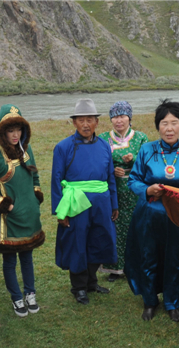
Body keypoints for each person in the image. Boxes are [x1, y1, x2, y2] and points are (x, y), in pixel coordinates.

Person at [125, 99, 179, 322]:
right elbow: (134, 180)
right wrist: (148, 189)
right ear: (158, 126)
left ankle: (172, 302)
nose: (169, 128)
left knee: (176, 258)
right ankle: (150, 301)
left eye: (174, 123)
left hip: (178, 217)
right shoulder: (147, 150)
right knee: (149, 256)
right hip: (148, 215)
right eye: (164, 123)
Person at [51, 99, 118, 305]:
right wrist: (60, 212)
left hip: (101, 202)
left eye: (90, 119)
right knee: (78, 242)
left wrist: (114, 203)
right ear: (74, 123)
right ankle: (78, 287)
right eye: (81, 120)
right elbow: (56, 179)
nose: (86, 124)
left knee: (98, 239)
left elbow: (110, 177)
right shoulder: (63, 147)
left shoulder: (104, 146)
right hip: (76, 202)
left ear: (97, 122)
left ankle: (91, 281)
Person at [0, 104, 45, 317]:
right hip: (8, 218)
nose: (15, 134)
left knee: (27, 257)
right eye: (10, 130)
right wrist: (4, 203)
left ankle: (30, 293)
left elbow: (34, 177)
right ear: (2, 131)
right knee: (10, 260)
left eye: (18, 129)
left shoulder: (27, 150)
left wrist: (35, 197)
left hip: (29, 215)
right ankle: (16, 297)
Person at [97, 101, 150, 282]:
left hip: (135, 188)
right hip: (113, 188)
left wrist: (133, 159)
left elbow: (147, 161)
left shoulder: (141, 138)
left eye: (122, 116)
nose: (119, 120)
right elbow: (98, 162)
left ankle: (135, 265)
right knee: (115, 225)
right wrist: (111, 170)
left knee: (135, 226)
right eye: (115, 117)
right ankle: (114, 267)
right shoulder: (103, 138)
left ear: (129, 118)